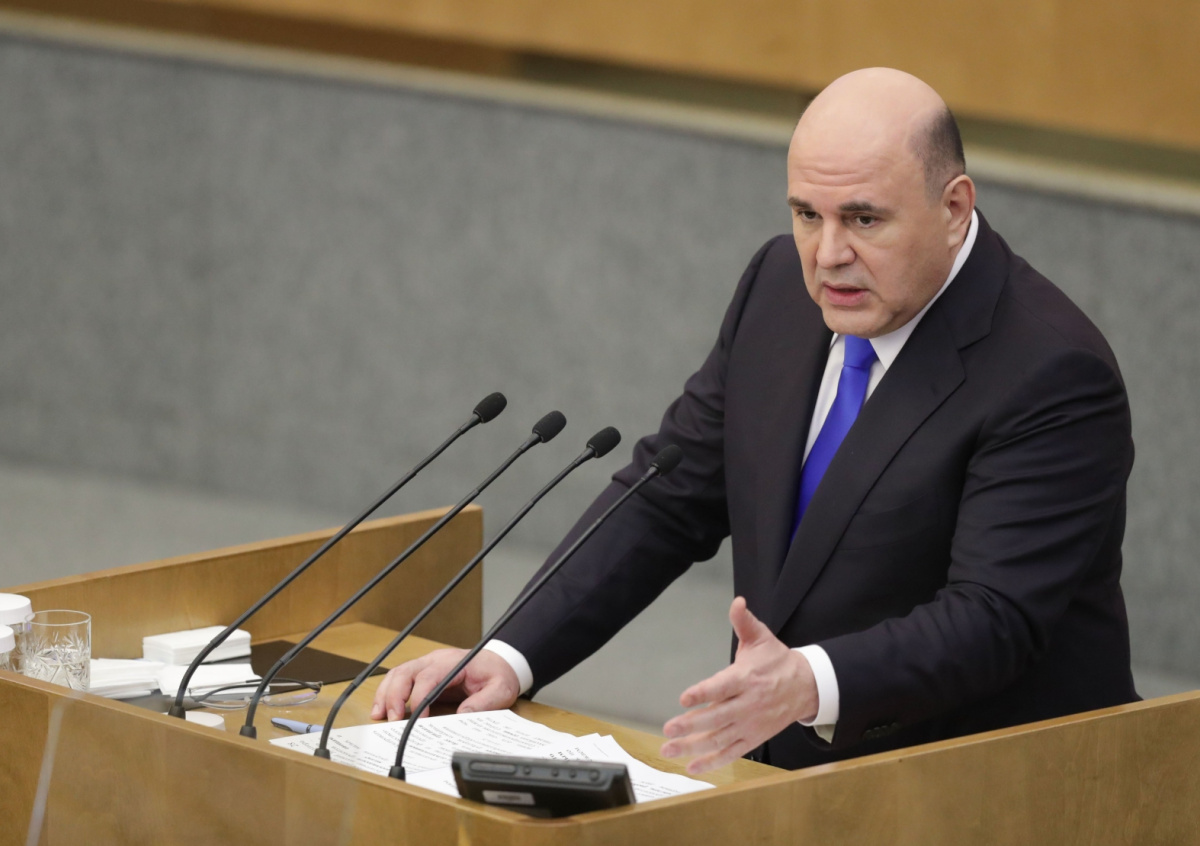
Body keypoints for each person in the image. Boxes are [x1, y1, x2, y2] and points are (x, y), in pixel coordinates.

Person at [372, 68, 1137, 774]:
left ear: (954, 208)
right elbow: (668, 496)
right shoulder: (777, 288)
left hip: (985, 789)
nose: (827, 255)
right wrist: (508, 654)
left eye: (863, 219)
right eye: (807, 214)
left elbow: (993, 618)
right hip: (784, 775)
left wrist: (809, 681)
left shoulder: (1050, 370)